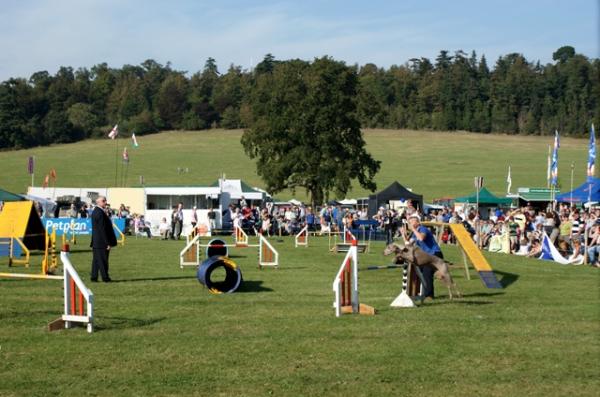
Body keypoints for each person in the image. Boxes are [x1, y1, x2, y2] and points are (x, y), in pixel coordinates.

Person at [400, 214, 443, 300]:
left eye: (412, 222)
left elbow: (421, 238)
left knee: (427, 273)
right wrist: (403, 235)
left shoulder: (423, 229)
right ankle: (435, 275)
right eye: (409, 222)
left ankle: (429, 295)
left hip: (434, 254)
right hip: (426, 256)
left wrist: (413, 230)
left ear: (418, 222)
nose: (410, 223)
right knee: (419, 271)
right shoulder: (414, 233)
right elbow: (408, 245)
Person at [90, 196, 117, 282]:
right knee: (103, 260)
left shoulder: (97, 211)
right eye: (103, 201)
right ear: (98, 202)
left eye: (105, 200)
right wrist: (107, 243)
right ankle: (105, 278)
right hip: (101, 242)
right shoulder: (99, 213)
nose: (105, 202)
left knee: (96, 261)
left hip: (97, 241)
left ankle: (94, 277)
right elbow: (102, 229)